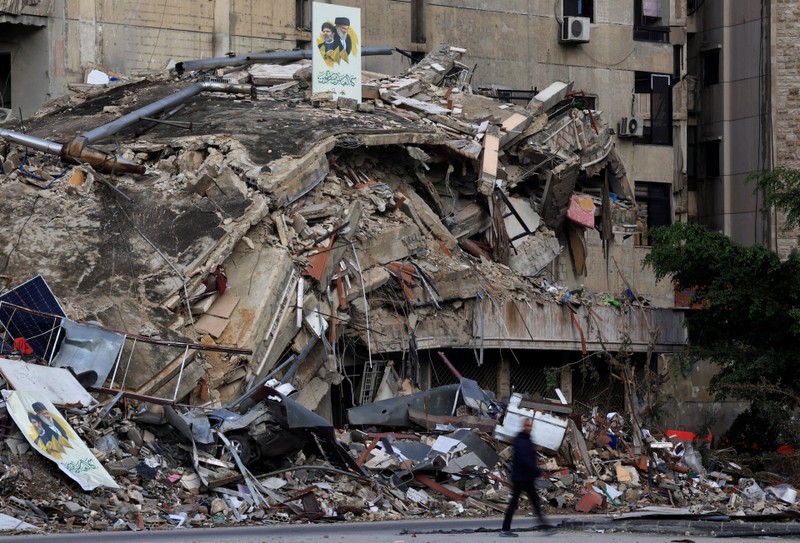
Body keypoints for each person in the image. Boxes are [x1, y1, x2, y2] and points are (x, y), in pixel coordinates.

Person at [500, 417, 551, 537]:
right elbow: (526, 460)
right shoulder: (522, 441)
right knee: (514, 503)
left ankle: (545, 527)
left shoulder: (526, 439)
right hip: (520, 478)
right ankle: (505, 529)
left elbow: (530, 460)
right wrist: (538, 471)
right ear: (523, 426)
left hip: (526, 477)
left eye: (530, 426)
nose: (529, 428)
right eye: (527, 426)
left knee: (535, 501)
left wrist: (536, 471)